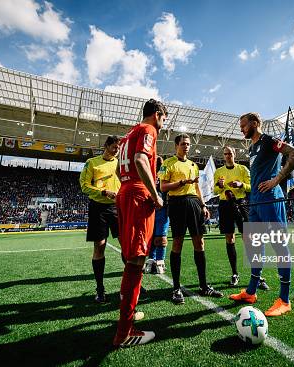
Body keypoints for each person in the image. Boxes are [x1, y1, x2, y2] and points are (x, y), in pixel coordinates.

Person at [229, 112, 294, 317]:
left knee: (279, 246)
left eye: (243, 125)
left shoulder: (269, 140)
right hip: (255, 202)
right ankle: (251, 292)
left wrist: (277, 179)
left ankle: (284, 300)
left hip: (271, 200)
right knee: (255, 246)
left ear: (254, 123)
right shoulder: (252, 147)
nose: (241, 129)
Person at [113, 99, 167, 347]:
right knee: (136, 261)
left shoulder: (127, 134)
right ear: (157, 115)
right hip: (137, 194)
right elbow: (140, 160)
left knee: (131, 260)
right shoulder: (148, 130)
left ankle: (129, 314)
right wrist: (155, 194)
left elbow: (117, 170)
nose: (163, 124)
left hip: (125, 191)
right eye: (164, 119)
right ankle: (125, 332)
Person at [160, 134, 223, 305]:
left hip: (194, 203)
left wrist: (203, 206)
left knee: (200, 243)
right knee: (177, 244)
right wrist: (181, 182)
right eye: (183, 144)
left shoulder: (194, 165)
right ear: (176, 146)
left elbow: (196, 187)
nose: (186, 147)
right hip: (176, 203)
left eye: (188, 144)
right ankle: (176, 288)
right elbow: (163, 187)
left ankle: (203, 286)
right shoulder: (167, 164)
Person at [214, 146, 269, 289]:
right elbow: (215, 190)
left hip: (241, 203)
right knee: (229, 238)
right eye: (225, 154)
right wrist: (219, 186)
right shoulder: (219, 171)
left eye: (230, 153)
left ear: (234, 153)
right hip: (225, 205)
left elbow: (252, 186)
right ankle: (234, 274)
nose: (227, 156)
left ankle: (257, 275)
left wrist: (241, 184)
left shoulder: (243, 169)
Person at [79, 136, 120, 303]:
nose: (117, 149)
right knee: (100, 247)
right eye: (114, 146)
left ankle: (130, 285)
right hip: (98, 208)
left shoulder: (120, 163)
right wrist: (103, 192)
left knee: (126, 245)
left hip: (119, 208)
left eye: (119, 147)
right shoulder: (92, 162)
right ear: (106, 146)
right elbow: (84, 185)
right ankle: (100, 288)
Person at [144, 156, 169, 274]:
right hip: (150, 208)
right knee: (151, 236)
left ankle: (160, 261)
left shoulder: (165, 175)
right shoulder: (148, 174)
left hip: (162, 209)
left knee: (161, 236)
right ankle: (151, 260)